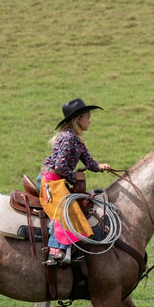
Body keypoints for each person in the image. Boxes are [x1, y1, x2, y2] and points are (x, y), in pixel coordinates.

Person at [37, 98, 114, 265]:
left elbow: (89, 161)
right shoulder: (68, 138)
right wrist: (74, 178)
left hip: (59, 180)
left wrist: (100, 167)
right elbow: (59, 165)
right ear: (78, 119)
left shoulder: (77, 140)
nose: (90, 122)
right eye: (87, 118)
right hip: (50, 181)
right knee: (66, 209)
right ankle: (55, 251)